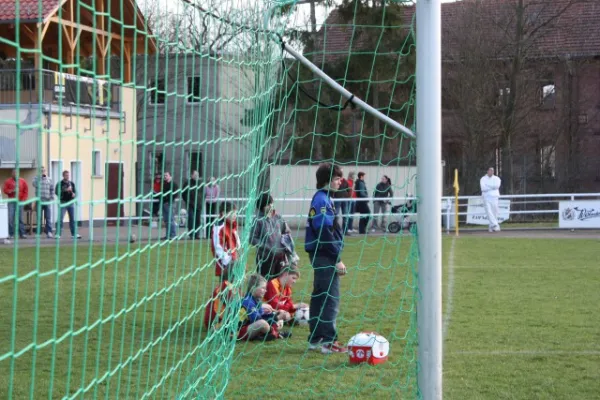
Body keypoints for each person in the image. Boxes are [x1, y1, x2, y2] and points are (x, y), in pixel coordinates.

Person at [304, 162, 348, 354]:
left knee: (320, 296)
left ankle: (316, 338)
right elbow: (323, 232)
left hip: (321, 253)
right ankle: (328, 342)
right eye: (337, 178)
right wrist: (337, 258)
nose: (340, 182)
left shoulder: (325, 198)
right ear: (326, 180)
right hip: (324, 254)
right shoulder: (322, 200)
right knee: (330, 297)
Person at [238, 274, 291, 341]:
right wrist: (277, 318)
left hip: (250, 326)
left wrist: (276, 314)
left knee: (276, 320)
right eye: (263, 288)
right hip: (240, 332)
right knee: (263, 324)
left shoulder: (257, 300)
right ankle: (276, 334)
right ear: (253, 288)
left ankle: (264, 335)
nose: (265, 291)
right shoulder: (248, 301)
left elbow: (262, 315)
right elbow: (258, 320)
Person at [250, 193, 289, 279]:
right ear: (262, 206)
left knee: (279, 281)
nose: (271, 206)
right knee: (266, 281)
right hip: (265, 258)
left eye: (271, 203)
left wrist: (286, 246)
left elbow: (286, 232)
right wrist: (267, 247)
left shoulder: (278, 218)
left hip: (280, 257)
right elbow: (252, 238)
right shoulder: (258, 220)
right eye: (268, 204)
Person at [210, 202, 240, 279]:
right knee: (226, 284)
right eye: (232, 213)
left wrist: (238, 257)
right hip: (225, 266)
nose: (235, 215)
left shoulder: (232, 225)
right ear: (224, 213)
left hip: (235, 262)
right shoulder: (219, 227)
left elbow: (236, 242)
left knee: (236, 285)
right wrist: (228, 262)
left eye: (236, 213)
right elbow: (218, 247)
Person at [2, 168, 29, 239]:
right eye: (14, 173)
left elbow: (26, 190)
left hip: (20, 201)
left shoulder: (22, 181)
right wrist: (11, 191)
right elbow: (5, 190)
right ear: (12, 174)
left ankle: (22, 234)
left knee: (21, 218)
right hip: (11, 201)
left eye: (17, 173)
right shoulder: (8, 181)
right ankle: (11, 234)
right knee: (11, 218)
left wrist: (24, 199)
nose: (15, 174)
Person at [55, 170, 81, 239]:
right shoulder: (60, 184)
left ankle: (74, 234)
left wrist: (74, 194)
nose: (67, 176)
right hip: (63, 203)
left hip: (70, 202)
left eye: (68, 175)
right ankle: (58, 234)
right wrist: (65, 190)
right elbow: (56, 192)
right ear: (63, 176)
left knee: (72, 219)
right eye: (66, 175)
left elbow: (75, 192)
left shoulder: (71, 183)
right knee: (60, 218)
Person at [32, 166, 54, 238]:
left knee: (48, 217)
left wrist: (52, 196)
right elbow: (34, 184)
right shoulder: (36, 178)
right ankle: (38, 233)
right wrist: (40, 178)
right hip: (39, 201)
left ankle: (49, 232)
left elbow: (52, 189)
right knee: (39, 218)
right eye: (41, 171)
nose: (43, 172)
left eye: (44, 171)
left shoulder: (49, 179)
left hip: (47, 201)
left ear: (46, 171)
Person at [182, 170, 204, 240]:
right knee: (191, 218)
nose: (196, 176)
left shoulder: (201, 183)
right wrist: (188, 201)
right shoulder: (187, 183)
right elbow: (183, 193)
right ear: (191, 175)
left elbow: (203, 194)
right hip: (190, 204)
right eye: (195, 175)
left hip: (198, 204)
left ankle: (197, 234)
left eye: (197, 175)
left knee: (197, 219)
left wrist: (201, 201)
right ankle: (191, 234)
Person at [480, 167, 502, 232]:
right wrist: (492, 187)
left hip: (495, 197)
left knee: (494, 212)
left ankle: (491, 226)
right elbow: (483, 188)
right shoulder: (483, 179)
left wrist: (488, 186)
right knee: (488, 211)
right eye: (490, 170)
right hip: (486, 197)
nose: (491, 172)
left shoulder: (497, 178)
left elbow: (497, 186)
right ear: (487, 171)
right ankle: (495, 224)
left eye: (492, 171)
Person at [331, 168, 352, 235]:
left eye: (342, 171)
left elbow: (349, 190)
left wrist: (347, 196)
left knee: (345, 216)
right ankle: (334, 230)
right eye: (340, 171)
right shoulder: (335, 181)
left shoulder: (345, 181)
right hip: (337, 200)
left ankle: (345, 231)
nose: (341, 173)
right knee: (336, 215)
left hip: (345, 200)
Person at [160, 171, 179, 240]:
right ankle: (168, 235)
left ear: (170, 176)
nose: (165, 177)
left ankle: (173, 235)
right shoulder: (164, 184)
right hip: (164, 203)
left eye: (166, 175)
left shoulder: (173, 184)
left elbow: (175, 194)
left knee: (171, 219)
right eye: (164, 175)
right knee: (167, 220)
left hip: (170, 203)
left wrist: (169, 200)